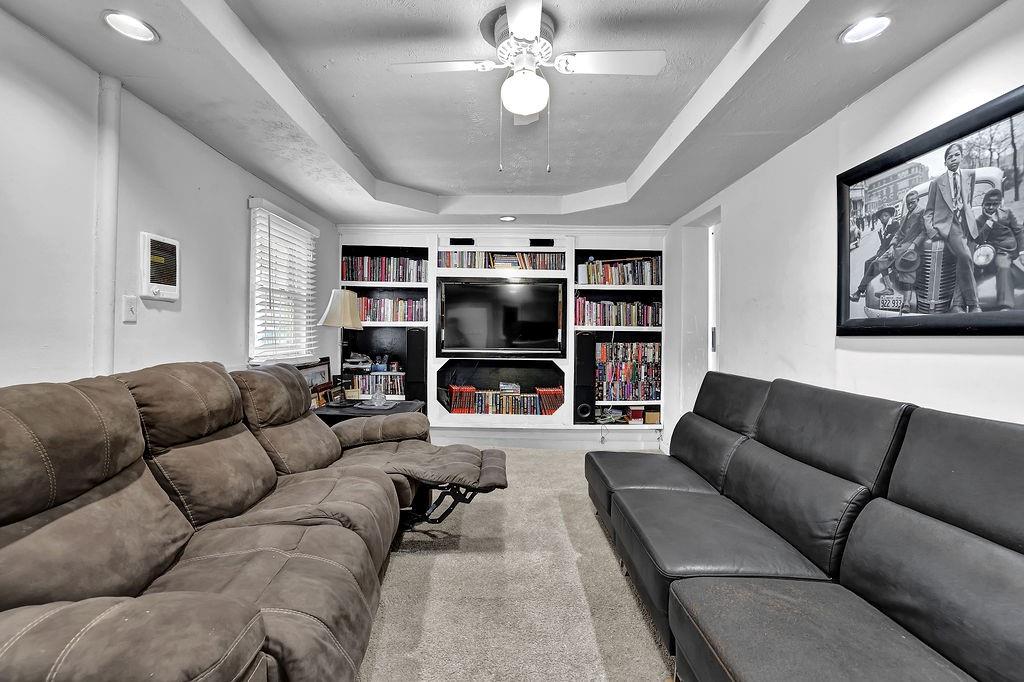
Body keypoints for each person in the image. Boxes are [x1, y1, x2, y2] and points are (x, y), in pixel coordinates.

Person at [923, 142, 981, 313]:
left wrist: (967, 213)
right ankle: (974, 304)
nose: (953, 159)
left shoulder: (970, 175)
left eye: (956, 155)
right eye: (950, 157)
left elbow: (968, 201)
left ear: (961, 157)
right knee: (965, 256)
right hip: (949, 225)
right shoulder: (937, 182)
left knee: (964, 262)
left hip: (968, 224)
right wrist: (932, 231)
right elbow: (928, 211)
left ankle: (957, 305)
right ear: (945, 162)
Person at [850, 195, 924, 301]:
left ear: (890, 216)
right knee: (868, 262)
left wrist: (885, 252)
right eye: (881, 217)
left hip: (898, 251)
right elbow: (884, 244)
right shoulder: (883, 228)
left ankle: (860, 291)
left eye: (885, 216)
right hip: (887, 250)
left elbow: (898, 238)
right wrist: (879, 253)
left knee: (874, 263)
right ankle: (864, 288)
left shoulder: (894, 224)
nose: (882, 218)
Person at [974, 188, 1024, 310]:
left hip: (1008, 249)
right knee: (1000, 266)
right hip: (990, 253)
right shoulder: (980, 220)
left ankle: (1006, 303)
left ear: (999, 204)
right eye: (988, 204)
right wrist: (989, 222)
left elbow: (1018, 231)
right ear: (983, 205)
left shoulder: (1007, 213)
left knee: (1004, 265)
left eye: (994, 204)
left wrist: (1022, 252)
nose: (991, 207)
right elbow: (979, 239)